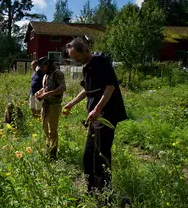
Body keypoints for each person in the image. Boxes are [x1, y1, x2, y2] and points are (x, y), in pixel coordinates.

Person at [63, 38, 127, 195]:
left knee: (101, 155)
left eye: (76, 57)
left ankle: (103, 193)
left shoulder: (101, 62)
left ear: (84, 49)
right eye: (73, 58)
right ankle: (91, 189)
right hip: (95, 117)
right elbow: (86, 90)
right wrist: (71, 104)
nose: (75, 61)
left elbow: (110, 87)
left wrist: (97, 109)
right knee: (88, 154)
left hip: (106, 115)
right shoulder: (86, 68)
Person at [34, 56, 66, 160]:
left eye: (42, 67)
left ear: (48, 64)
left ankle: (53, 154)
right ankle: (48, 148)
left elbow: (62, 88)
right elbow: (46, 87)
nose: (42, 69)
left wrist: (47, 94)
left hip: (54, 105)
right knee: (45, 128)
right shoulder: (45, 76)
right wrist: (40, 92)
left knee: (52, 130)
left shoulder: (58, 74)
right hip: (46, 105)